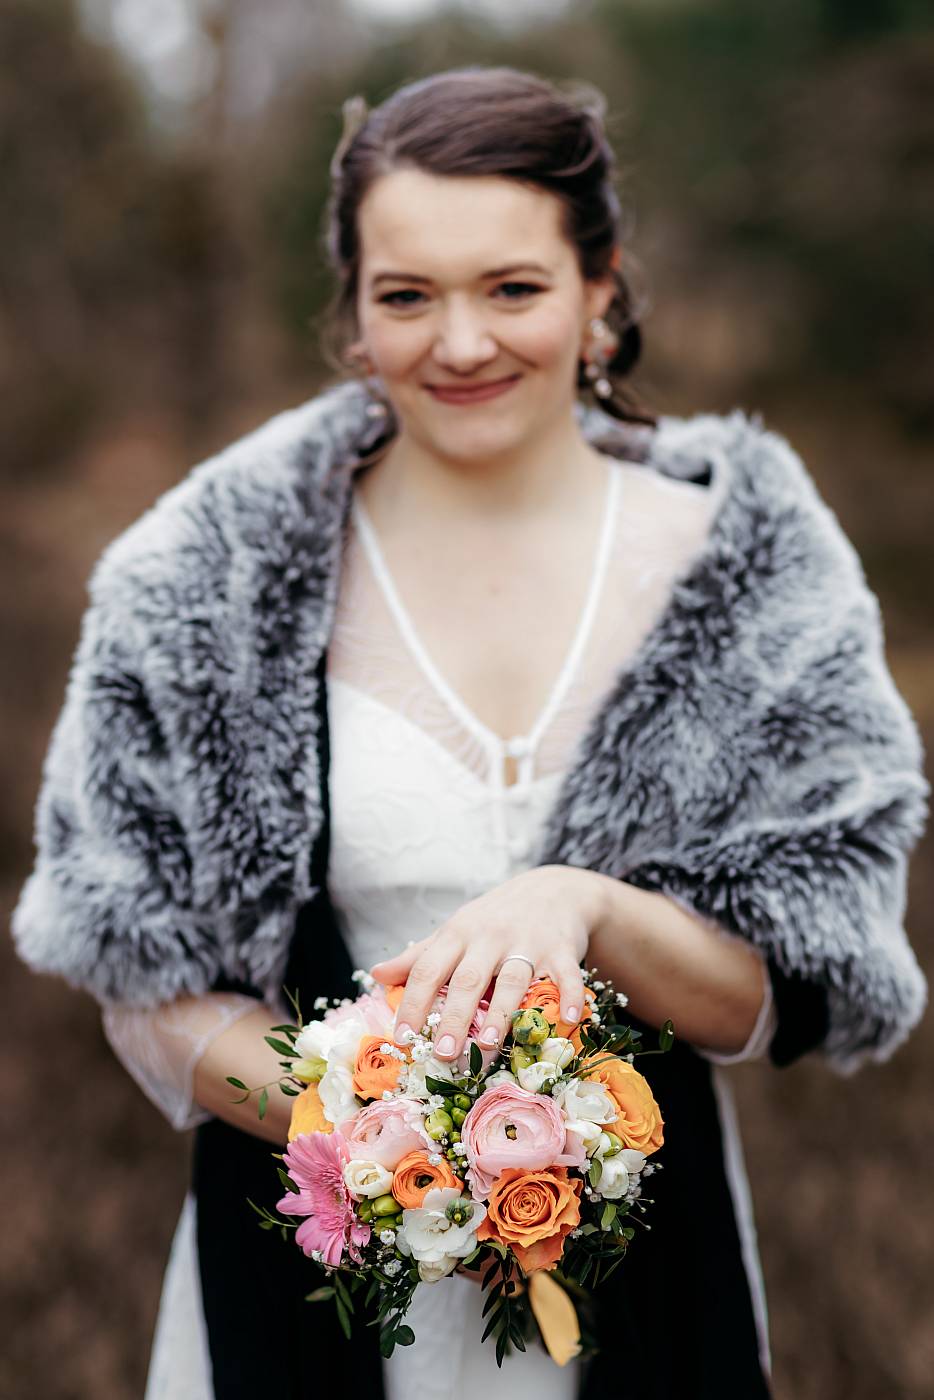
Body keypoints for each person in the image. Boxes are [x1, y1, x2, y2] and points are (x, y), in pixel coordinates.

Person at [10, 65, 928, 1400]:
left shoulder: (757, 577)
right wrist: (384, 1137)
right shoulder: (199, 578)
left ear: (599, 285)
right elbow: (139, 973)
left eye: (510, 288)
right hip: (297, 1291)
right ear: (349, 311)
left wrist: (584, 910)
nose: (458, 343)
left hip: (642, 1289)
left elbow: (787, 981)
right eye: (405, 295)